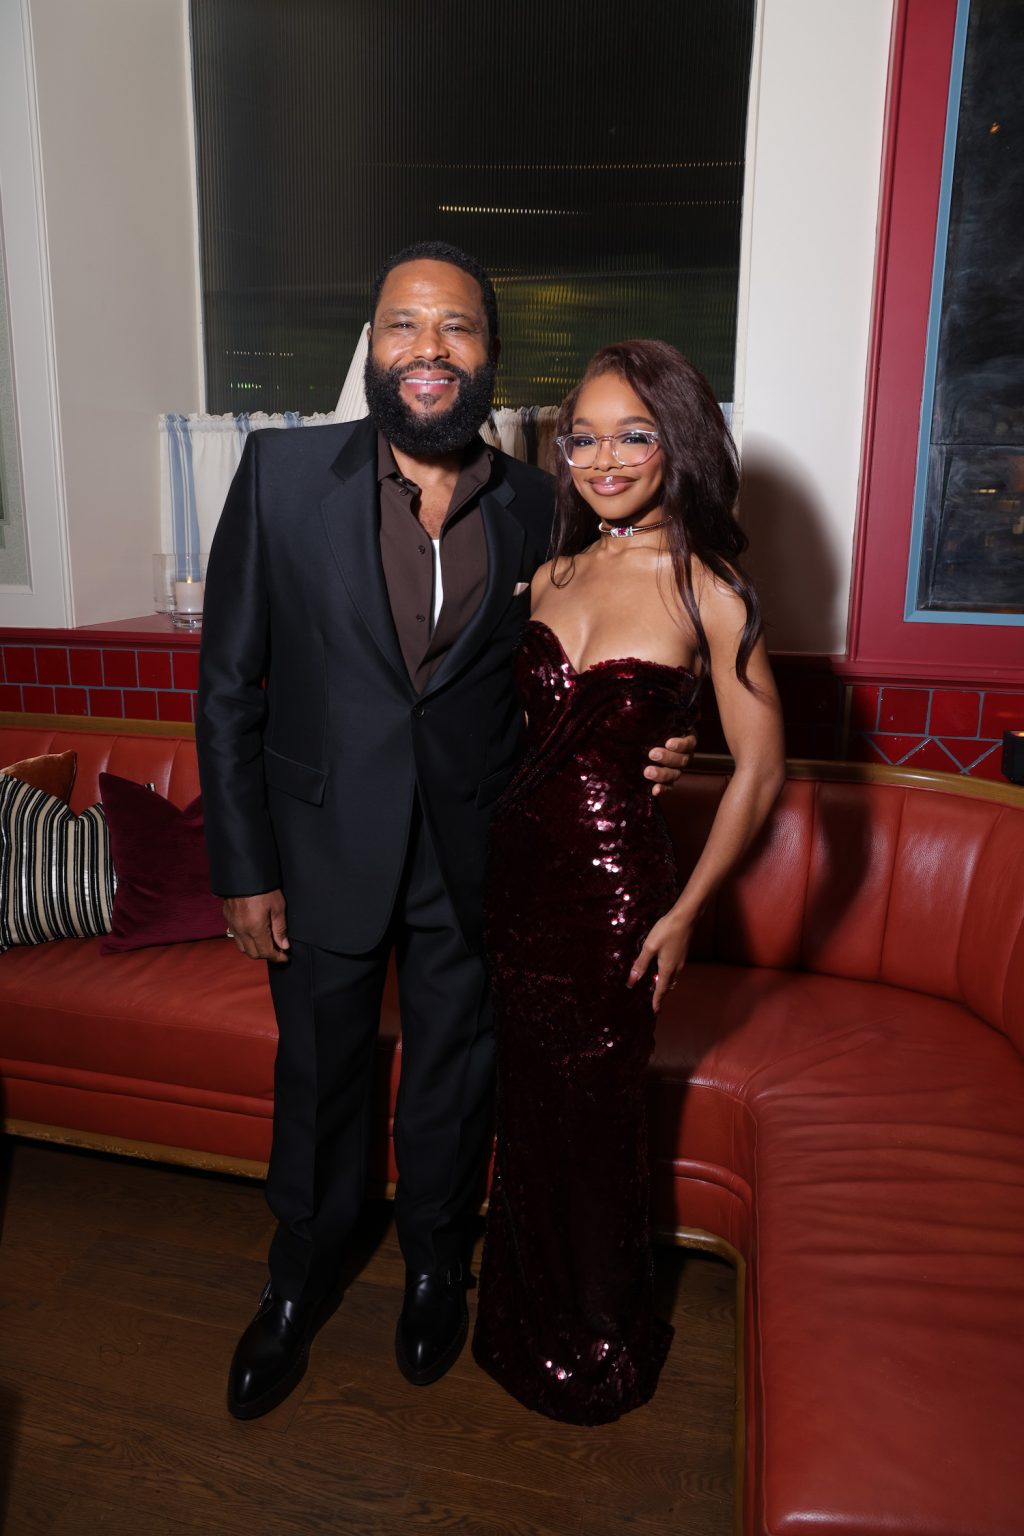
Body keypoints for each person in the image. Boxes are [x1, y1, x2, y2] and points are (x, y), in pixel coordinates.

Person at [196, 244, 696, 1421]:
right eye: (403, 325)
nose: (429, 348)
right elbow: (226, 689)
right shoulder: (277, 476)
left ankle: (434, 1265)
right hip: (316, 852)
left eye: (455, 327)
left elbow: (605, 644)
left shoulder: (538, 502)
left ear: (490, 355)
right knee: (317, 1079)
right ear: (372, 346)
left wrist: (665, 740)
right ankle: (294, 1280)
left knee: (453, 1079)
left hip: (478, 852)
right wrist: (243, 868)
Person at [472, 339, 786, 1425]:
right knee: (527, 1108)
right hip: (515, 883)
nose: (604, 460)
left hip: (617, 903)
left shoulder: (711, 591)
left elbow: (763, 771)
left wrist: (687, 911)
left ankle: (600, 1338)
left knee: (597, 1120)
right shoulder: (549, 573)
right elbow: (520, 734)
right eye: (583, 439)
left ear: (676, 442)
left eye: (632, 435)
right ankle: (520, 1320)